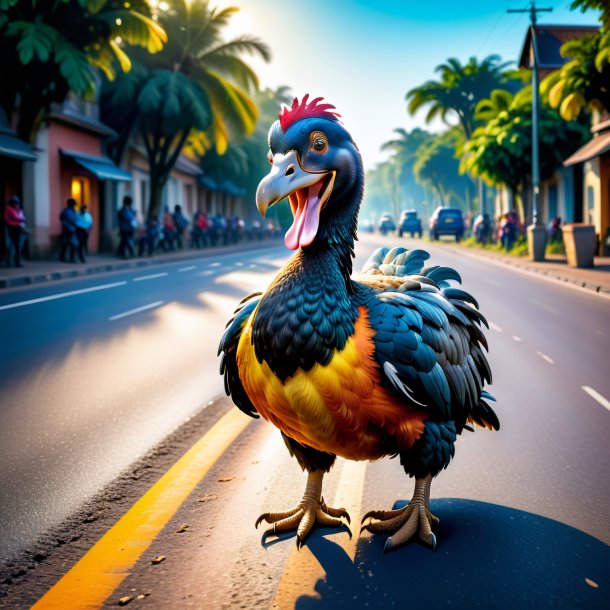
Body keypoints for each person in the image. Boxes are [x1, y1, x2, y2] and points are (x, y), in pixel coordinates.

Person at [3, 195, 28, 267]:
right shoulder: (9, 209)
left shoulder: (17, 210)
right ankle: (9, 263)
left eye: (18, 203)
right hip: (11, 229)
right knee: (11, 246)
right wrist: (19, 222)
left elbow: (21, 217)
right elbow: (10, 220)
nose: (17, 205)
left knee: (17, 246)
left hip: (17, 229)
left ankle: (17, 262)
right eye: (16, 203)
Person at [60, 198, 79, 263]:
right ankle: (66, 258)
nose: (74, 205)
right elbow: (69, 220)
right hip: (68, 230)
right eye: (73, 204)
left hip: (72, 230)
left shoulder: (73, 211)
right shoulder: (66, 211)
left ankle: (70, 258)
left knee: (71, 244)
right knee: (69, 244)